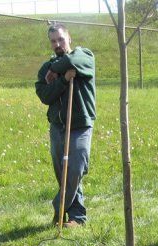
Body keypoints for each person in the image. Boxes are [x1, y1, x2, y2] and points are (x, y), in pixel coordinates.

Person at [35, 23, 96, 228]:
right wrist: (63, 79)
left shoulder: (84, 55)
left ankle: (58, 207)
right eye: (53, 41)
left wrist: (57, 69)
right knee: (64, 174)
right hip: (58, 126)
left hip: (80, 124)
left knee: (76, 167)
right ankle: (76, 217)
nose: (58, 44)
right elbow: (45, 95)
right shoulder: (46, 67)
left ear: (69, 37)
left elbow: (74, 60)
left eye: (61, 39)